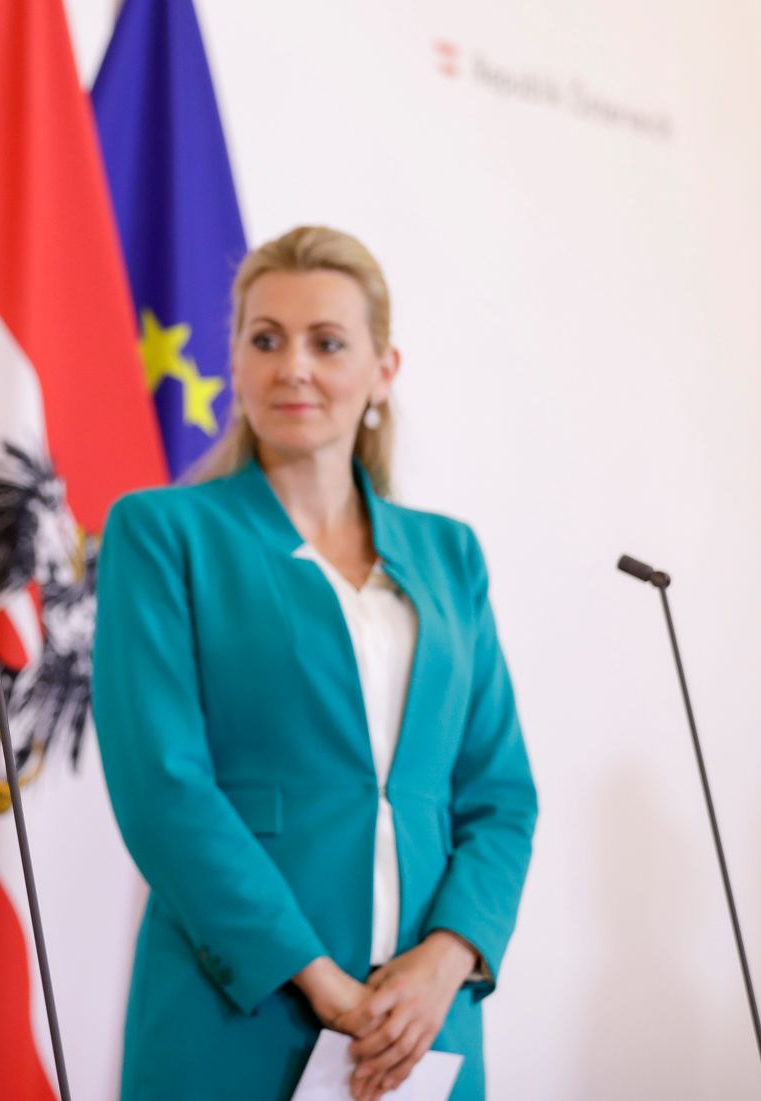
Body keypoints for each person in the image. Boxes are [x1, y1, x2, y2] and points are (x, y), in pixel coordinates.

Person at [93, 225, 537, 1101]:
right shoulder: (163, 534)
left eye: (327, 341)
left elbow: (501, 795)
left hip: (423, 1026)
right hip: (239, 1008)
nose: (292, 365)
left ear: (383, 368)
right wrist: (323, 983)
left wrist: (445, 962)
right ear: (236, 361)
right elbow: (164, 788)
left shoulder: (451, 555)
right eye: (266, 339)